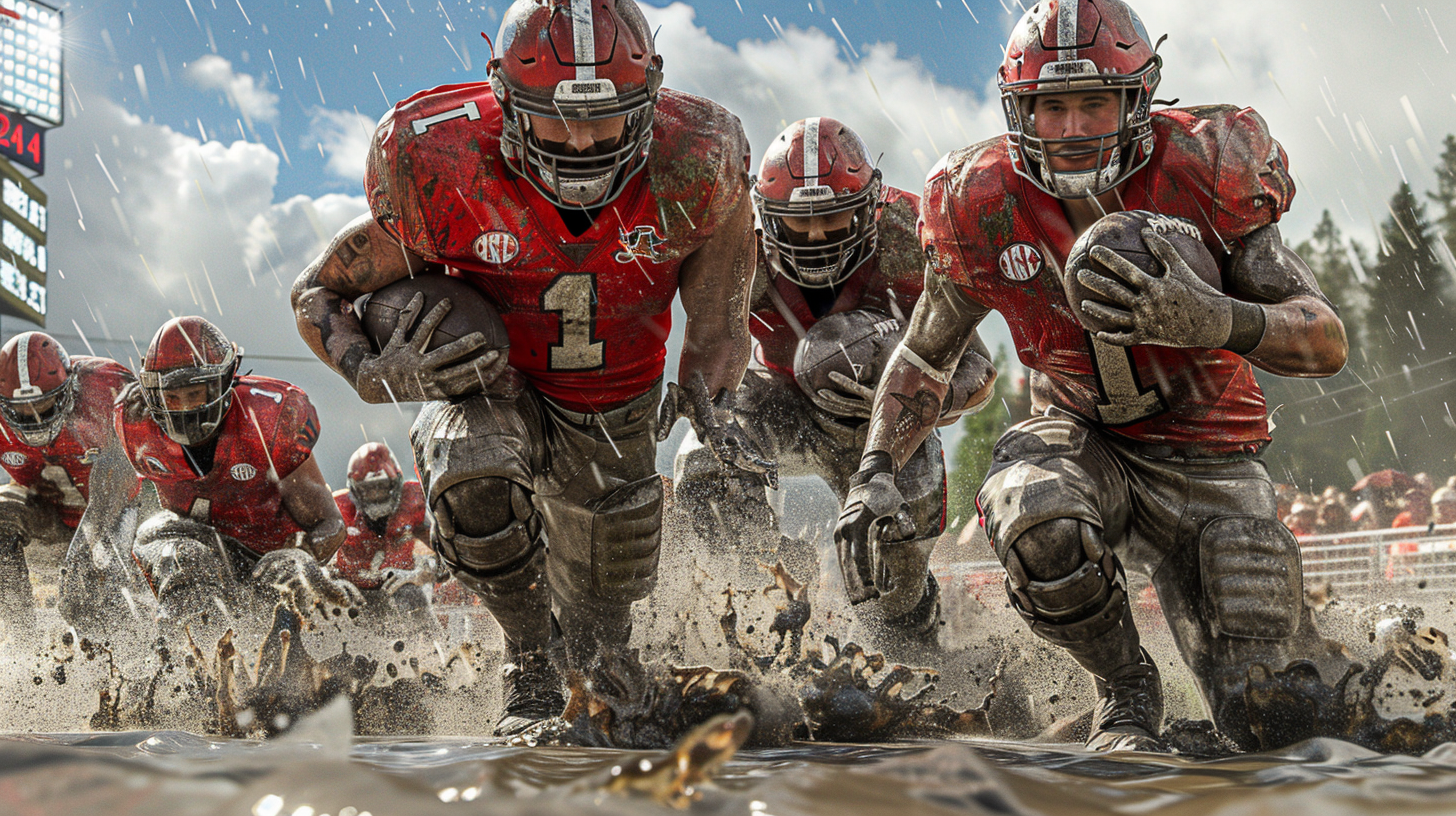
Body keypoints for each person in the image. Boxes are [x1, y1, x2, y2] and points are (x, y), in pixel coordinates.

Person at [834, 0, 1349, 752]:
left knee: (1267, 719)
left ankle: (1348, 672)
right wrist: (873, 471)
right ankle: (1124, 691)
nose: (1073, 128)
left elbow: (1326, 338)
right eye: (1052, 106)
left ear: (1138, 98)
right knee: (1031, 504)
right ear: (1019, 111)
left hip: (1211, 459)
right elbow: (923, 354)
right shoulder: (978, 198)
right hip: (1085, 441)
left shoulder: (1206, 162)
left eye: (1094, 102)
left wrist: (1217, 319)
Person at [292, 0, 764, 734]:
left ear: (651, 99)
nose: (580, 142)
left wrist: (711, 384)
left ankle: (584, 660)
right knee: (467, 460)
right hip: (492, 386)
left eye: (604, 119)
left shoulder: (698, 158)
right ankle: (527, 660)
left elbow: (721, 318)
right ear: (504, 101)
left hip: (616, 409)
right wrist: (369, 370)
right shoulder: (439, 159)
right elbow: (318, 289)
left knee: (605, 640)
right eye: (555, 119)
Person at [672, 117, 994, 645]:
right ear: (767, 219)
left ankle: (912, 633)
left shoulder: (909, 233)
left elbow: (978, 368)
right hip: (777, 397)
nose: (818, 235)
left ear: (871, 207)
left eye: (835, 216)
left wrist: (919, 400)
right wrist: (707, 404)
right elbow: (718, 338)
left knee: (893, 577)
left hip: (888, 417)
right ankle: (758, 609)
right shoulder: (742, 245)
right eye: (800, 222)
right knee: (706, 464)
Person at [114, 316, 349, 636]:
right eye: (172, 397)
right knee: (162, 542)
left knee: (282, 619)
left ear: (225, 380)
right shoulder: (133, 424)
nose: (183, 410)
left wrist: (299, 558)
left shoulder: (269, 417)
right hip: (198, 553)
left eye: (195, 394)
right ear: (153, 394)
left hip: (266, 555)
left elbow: (329, 524)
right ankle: (176, 661)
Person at [0, 332, 135, 634]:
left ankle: (125, 647)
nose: (35, 420)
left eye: (45, 405)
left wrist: (92, 544)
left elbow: (135, 472)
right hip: (55, 517)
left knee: (89, 585)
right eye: (22, 411)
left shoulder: (107, 388)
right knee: (2, 516)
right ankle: (20, 638)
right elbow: (21, 483)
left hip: (121, 511)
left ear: (69, 386)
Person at [331, 441, 442, 628]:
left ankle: (431, 650)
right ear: (355, 489)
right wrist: (331, 580)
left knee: (411, 597)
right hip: (350, 593)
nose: (377, 495)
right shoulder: (338, 509)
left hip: (399, 589)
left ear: (397, 482)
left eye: (382, 487)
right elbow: (314, 561)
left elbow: (445, 554)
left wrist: (420, 575)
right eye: (369, 489)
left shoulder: (413, 500)